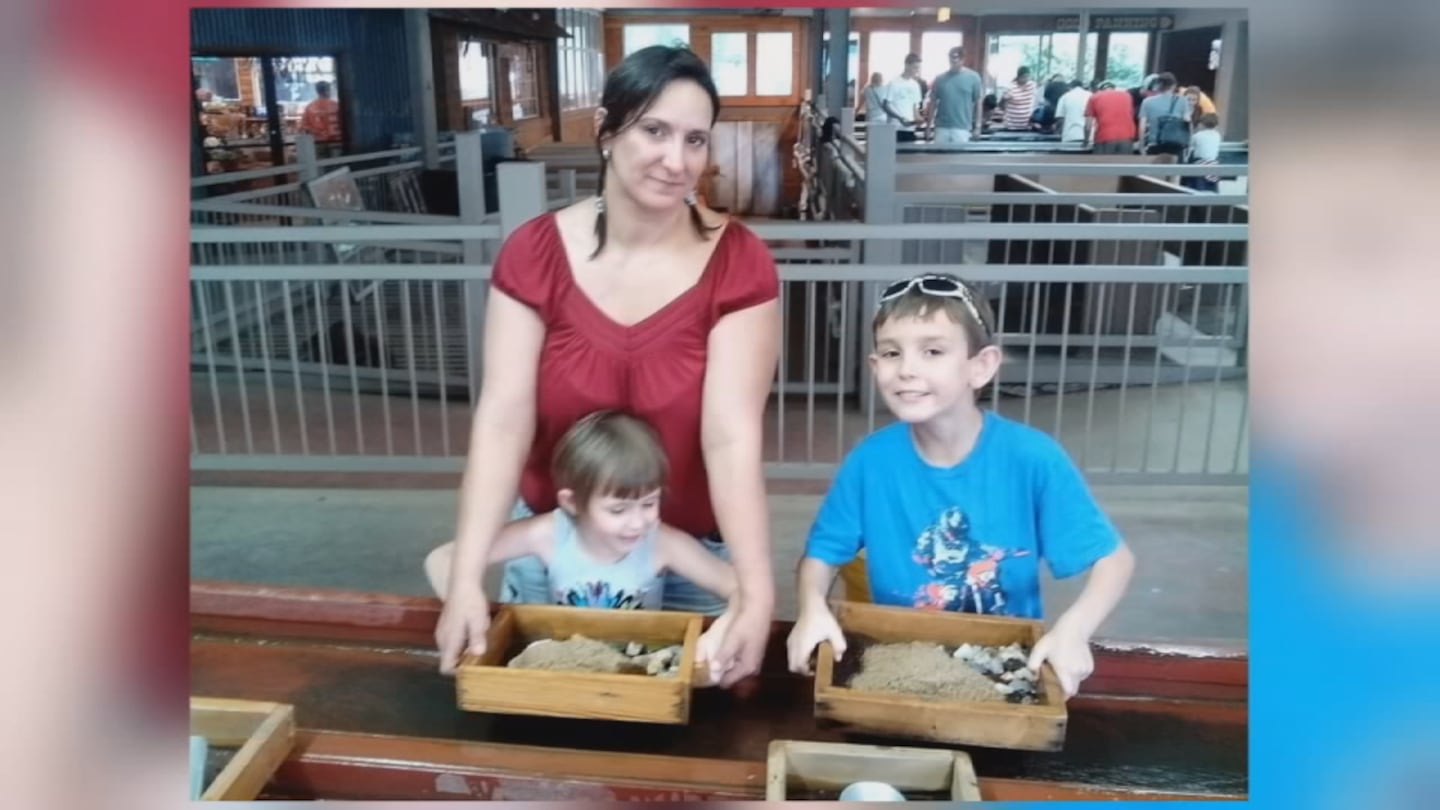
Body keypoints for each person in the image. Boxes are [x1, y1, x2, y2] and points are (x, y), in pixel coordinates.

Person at [429, 45, 780, 685]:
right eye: (654, 130)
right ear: (606, 131)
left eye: (695, 139)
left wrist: (755, 593)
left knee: (693, 725)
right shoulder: (534, 254)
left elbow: (731, 436)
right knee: (543, 718)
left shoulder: (739, 262)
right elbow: (504, 420)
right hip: (556, 551)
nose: (676, 161)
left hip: (689, 553)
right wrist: (465, 578)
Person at [785, 273, 1136, 698]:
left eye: (933, 351)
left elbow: (1114, 561)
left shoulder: (1032, 459)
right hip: (901, 666)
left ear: (981, 366)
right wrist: (811, 609)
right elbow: (821, 555)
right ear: (876, 367)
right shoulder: (869, 462)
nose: (907, 369)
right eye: (892, 353)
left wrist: (1074, 630)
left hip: (1004, 670)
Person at [425, 412, 739, 664]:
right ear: (572, 502)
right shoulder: (548, 534)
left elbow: (740, 589)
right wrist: (464, 599)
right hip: (561, 670)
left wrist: (723, 627)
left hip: (635, 673)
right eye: (618, 510)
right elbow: (441, 558)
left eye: (649, 503)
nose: (638, 522)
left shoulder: (662, 543)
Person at [923, 46, 984, 146]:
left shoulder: (973, 77)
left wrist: (978, 126)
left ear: (963, 59)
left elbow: (978, 102)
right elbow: (932, 103)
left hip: (962, 127)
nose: (953, 60)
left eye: (956, 57)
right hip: (941, 127)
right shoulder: (940, 79)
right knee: (939, 154)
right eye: (951, 57)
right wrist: (928, 126)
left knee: (959, 155)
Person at [1137, 72, 1190, 156]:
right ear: (1174, 85)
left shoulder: (1147, 102)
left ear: (1159, 85)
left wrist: (1141, 146)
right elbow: (1187, 122)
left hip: (1154, 144)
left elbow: (1142, 127)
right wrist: (1188, 145)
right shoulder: (1183, 101)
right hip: (1176, 145)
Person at [878, 54, 925, 143]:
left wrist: (919, 119)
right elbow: (885, 105)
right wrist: (900, 118)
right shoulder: (893, 83)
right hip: (895, 128)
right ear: (907, 65)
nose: (917, 71)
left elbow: (915, 108)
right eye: (915, 67)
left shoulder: (915, 85)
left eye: (918, 68)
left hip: (910, 129)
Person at [1083, 81, 1137, 153]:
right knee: (1124, 160)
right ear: (1114, 88)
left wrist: (1086, 141)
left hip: (1104, 137)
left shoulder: (1094, 97)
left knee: (1103, 160)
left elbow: (1088, 126)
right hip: (1127, 138)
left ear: (1100, 89)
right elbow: (1131, 116)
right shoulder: (1127, 96)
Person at [299, 80, 342, 157]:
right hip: (335, 141)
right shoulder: (336, 105)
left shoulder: (309, 107)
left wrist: (318, 132)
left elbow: (304, 127)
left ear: (317, 91)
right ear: (327, 90)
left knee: (321, 162)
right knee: (336, 162)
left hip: (318, 142)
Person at [1182, 112, 1223, 192]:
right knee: (1211, 188)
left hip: (1200, 163)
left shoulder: (1197, 136)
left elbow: (1190, 148)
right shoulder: (1217, 135)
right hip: (1213, 164)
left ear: (1202, 124)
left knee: (1197, 187)